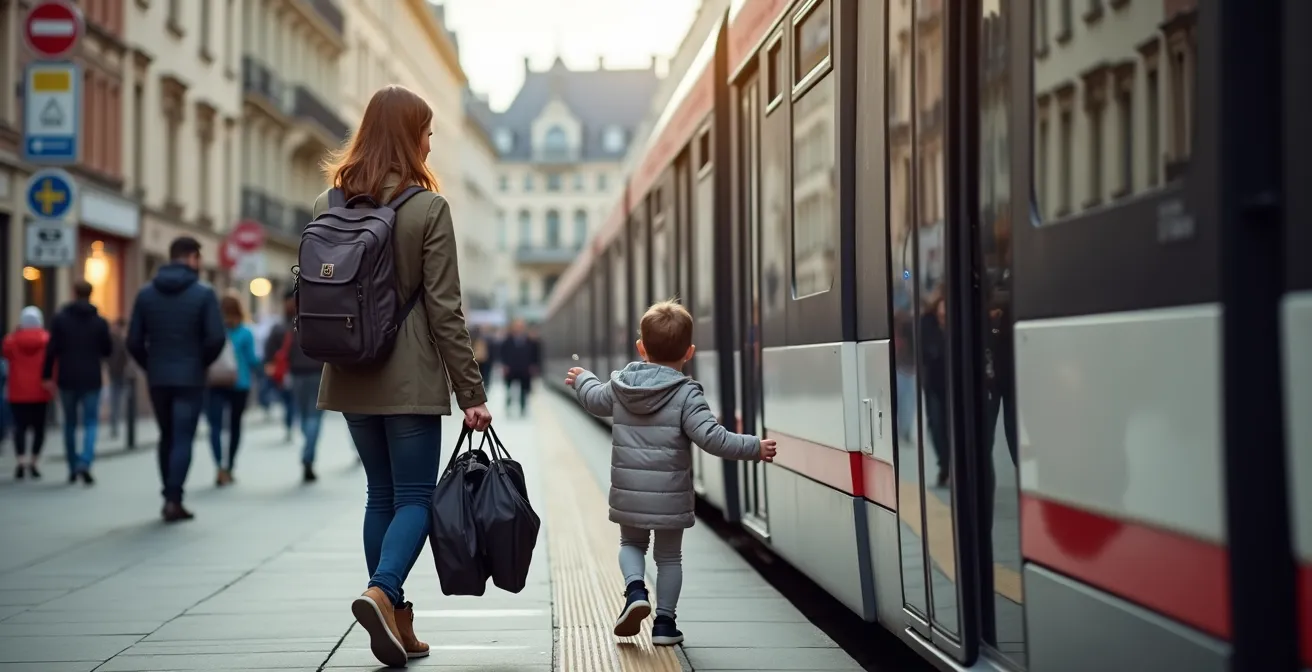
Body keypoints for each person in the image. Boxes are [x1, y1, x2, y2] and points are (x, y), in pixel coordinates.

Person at [312, 84, 491, 669]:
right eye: (428, 132)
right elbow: (445, 310)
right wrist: (473, 393)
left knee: (379, 494)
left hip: (348, 368)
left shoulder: (327, 205)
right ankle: (384, 591)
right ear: (411, 136)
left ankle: (395, 621)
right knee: (414, 495)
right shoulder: (428, 208)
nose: (431, 141)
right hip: (408, 374)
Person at [564, 300, 777, 646]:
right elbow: (713, 439)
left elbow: (594, 399)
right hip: (671, 495)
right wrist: (754, 446)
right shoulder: (686, 394)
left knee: (631, 543)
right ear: (689, 352)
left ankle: (635, 590)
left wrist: (583, 380)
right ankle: (665, 624)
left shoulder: (621, 386)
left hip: (629, 490)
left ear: (640, 348)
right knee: (669, 558)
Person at [127, 236, 226, 522]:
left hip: (158, 376)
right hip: (190, 376)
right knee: (183, 436)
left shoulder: (146, 293)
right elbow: (216, 337)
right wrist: (200, 362)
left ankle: (168, 495)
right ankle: (174, 498)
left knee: (166, 435)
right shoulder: (203, 293)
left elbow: (133, 340)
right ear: (193, 258)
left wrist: (150, 365)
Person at [43, 280, 113, 485]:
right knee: (91, 422)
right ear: (91, 294)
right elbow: (107, 350)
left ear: (73, 293)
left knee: (70, 423)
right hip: (91, 377)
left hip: (67, 377)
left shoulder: (61, 320)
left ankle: (73, 466)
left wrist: (46, 375)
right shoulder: (99, 322)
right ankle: (86, 461)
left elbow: (51, 350)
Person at [205, 291, 261, 486]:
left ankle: (219, 466)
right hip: (240, 383)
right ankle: (230, 466)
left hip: (215, 381)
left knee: (215, 426)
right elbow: (253, 360)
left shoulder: (214, 330)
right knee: (235, 426)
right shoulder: (245, 332)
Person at [277, 288, 327, 483]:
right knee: (314, 416)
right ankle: (309, 454)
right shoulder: (319, 321)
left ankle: (308, 448)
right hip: (317, 373)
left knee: (304, 415)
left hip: (297, 374)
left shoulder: (287, 324)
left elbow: (273, 349)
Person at [4, 307, 53, 480]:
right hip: (40, 390)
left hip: (18, 391)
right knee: (39, 429)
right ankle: (34, 461)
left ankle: (21, 461)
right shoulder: (47, 340)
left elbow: (5, 353)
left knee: (20, 428)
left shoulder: (12, 341)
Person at [263, 295, 296, 441]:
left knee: (288, 399)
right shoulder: (304, 326)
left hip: (286, 370)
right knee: (292, 400)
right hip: (297, 370)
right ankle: (291, 422)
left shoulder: (279, 327)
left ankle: (289, 423)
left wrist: (270, 363)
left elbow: (269, 349)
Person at [498, 318, 539, 416]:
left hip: (524, 369)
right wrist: (504, 366)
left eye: (521, 326)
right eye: (517, 326)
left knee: (524, 390)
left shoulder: (529, 340)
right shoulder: (507, 340)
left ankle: (523, 408)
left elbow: (534, 354)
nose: (519, 328)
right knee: (509, 390)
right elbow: (502, 353)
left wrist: (534, 366)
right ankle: (508, 406)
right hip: (511, 369)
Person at [106, 318, 133, 440]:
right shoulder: (112, 338)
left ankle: (118, 425)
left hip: (123, 374)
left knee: (120, 399)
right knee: (115, 399)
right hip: (115, 373)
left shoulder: (123, 339)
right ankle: (114, 425)